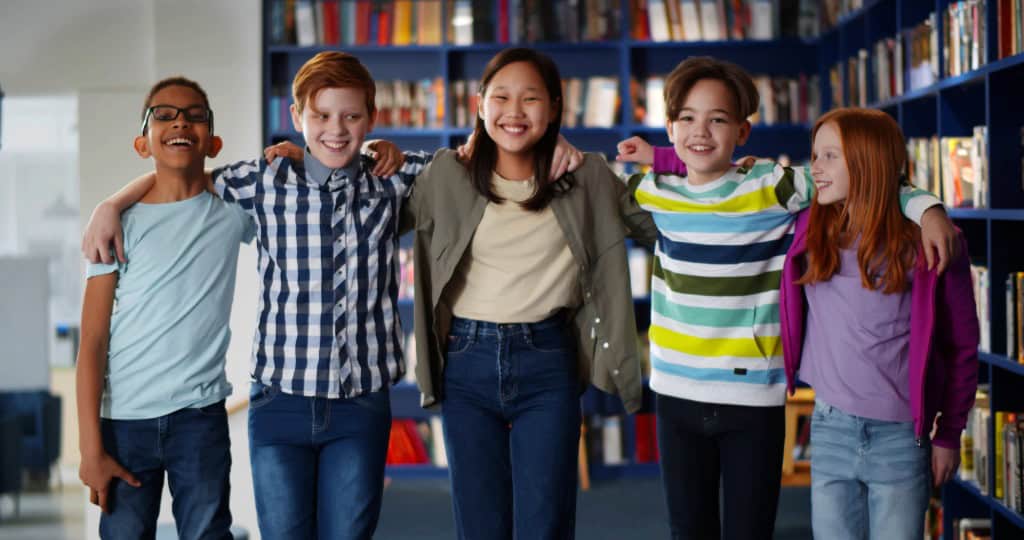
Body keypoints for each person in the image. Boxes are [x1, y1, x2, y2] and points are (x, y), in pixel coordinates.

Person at [614, 56, 956, 539]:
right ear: (670, 127)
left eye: (718, 119)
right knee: (686, 528)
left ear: (743, 132)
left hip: (754, 393)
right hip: (675, 390)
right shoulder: (650, 189)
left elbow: (864, 176)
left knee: (751, 529)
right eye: (687, 118)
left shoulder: (773, 185)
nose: (701, 130)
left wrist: (927, 208)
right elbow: (590, 189)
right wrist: (656, 159)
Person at [778, 108, 978, 539]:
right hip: (829, 427)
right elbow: (734, 178)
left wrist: (949, 435)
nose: (815, 167)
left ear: (867, 161)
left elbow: (961, 347)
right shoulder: (808, 228)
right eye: (815, 154)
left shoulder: (933, 243)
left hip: (902, 437)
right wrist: (661, 158)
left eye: (830, 156)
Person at [76, 76, 253, 539]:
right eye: (165, 114)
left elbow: (289, 195)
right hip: (123, 422)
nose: (181, 121)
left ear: (212, 142)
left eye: (195, 115)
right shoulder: (115, 227)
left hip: (200, 419)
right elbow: (92, 341)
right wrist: (90, 449)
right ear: (143, 142)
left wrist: (291, 155)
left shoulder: (233, 213)